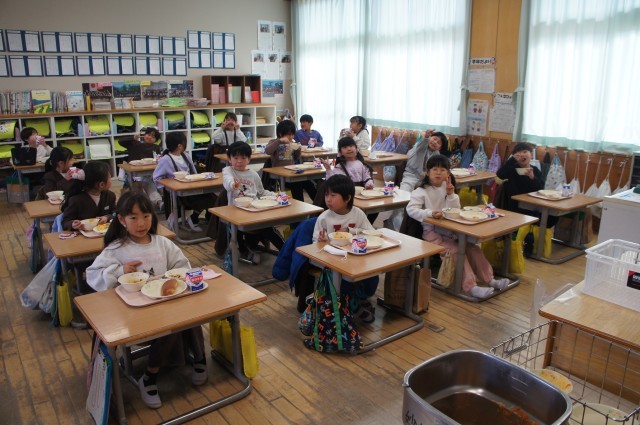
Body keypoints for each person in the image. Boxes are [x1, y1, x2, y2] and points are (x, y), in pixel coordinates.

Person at [85, 191, 206, 409]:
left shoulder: (162, 243)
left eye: (146, 216)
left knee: (190, 314)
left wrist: (178, 276)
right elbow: (92, 274)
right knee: (171, 323)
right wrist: (119, 270)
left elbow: (182, 264)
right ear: (121, 220)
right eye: (133, 218)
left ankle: (200, 358)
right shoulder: (117, 248)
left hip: (165, 304)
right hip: (134, 315)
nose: (141, 223)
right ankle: (149, 376)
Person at [406, 154, 509, 299]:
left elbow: (455, 210)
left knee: (473, 248)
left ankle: (490, 280)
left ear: (448, 173)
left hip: (450, 229)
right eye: (434, 169)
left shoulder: (447, 187)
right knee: (455, 250)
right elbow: (411, 210)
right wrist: (430, 213)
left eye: (442, 170)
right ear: (427, 171)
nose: (438, 172)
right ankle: (471, 287)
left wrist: (451, 195)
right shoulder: (421, 191)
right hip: (432, 232)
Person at [312, 175, 379, 323]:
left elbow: (371, 232)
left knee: (373, 275)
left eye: (333, 195)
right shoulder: (324, 218)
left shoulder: (358, 214)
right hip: (332, 260)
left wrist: (352, 231)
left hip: (355, 257)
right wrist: (321, 242)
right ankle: (351, 305)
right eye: (326, 195)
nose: (328, 199)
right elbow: (314, 245)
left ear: (347, 198)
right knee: (346, 278)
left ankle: (359, 297)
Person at [223, 142, 285, 264]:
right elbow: (227, 181)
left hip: (254, 210)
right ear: (229, 159)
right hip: (236, 213)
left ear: (249, 159)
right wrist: (233, 184)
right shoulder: (228, 171)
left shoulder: (253, 174)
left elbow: (261, 193)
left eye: (243, 158)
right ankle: (244, 250)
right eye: (235, 158)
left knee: (269, 227)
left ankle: (286, 251)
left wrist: (276, 195)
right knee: (236, 229)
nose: (239, 161)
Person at [388, 130, 450, 230]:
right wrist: (426, 137)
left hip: (423, 180)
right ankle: (398, 228)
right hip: (410, 177)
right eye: (434, 139)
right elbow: (423, 143)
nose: (435, 142)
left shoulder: (436, 155)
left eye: (438, 143)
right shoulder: (420, 146)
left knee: (422, 204)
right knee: (402, 202)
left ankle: (417, 228)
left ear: (440, 148)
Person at [153, 132, 215, 232]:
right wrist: (170, 184)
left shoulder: (185, 156)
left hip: (191, 188)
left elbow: (194, 172)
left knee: (211, 197)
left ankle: (194, 217)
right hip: (177, 193)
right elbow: (156, 178)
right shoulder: (166, 159)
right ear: (180, 146)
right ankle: (193, 219)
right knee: (205, 200)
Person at [496, 142, 557, 228]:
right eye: (518, 153)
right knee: (541, 216)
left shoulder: (535, 170)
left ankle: (537, 233)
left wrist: (532, 177)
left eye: (525, 152)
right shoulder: (512, 169)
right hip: (516, 205)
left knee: (553, 216)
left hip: (532, 203)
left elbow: (540, 188)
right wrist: (512, 160)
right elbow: (500, 174)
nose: (521, 155)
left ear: (531, 155)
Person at [317, 136, 378, 223]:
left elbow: (367, 177)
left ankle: (366, 224)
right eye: (345, 147)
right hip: (348, 194)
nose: (349, 149)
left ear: (356, 149)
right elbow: (332, 182)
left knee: (375, 207)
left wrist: (369, 183)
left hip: (362, 193)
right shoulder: (340, 166)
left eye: (351, 146)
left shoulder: (361, 164)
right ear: (340, 152)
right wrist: (328, 169)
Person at [265, 119, 317, 201]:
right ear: (280, 133)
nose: (291, 137)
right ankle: (299, 205)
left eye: (293, 134)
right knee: (297, 185)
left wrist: (298, 149)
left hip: (291, 172)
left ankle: (318, 204)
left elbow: (296, 157)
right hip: (280, 174)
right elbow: (268, 151)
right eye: (289, 135)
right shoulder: (274, 142)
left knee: (308, 183)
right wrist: (279, 141)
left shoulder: (291, 143)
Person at [61, 161, 116, 231]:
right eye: (110, 178)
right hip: (83, 235)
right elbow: (65, 222)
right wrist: (73, 224)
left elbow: (115, 213)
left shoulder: (110, 196)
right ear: (101, 185)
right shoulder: (76, 200)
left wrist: (107, 217)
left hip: (104, 234)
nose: (111, 180)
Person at [119, 127, 163, 210]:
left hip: (149, 174)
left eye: (153, 137)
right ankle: (157, 202)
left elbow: (158, 160)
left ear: (156, 140)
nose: (149, 137)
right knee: (146, 184)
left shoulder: (156, 148)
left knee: (154, 183)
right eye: (148, 134)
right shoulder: (135, 144)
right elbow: (120, 141)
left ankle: (159, 202)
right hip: (135, 175)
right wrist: (133, 137)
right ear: (144, 135)